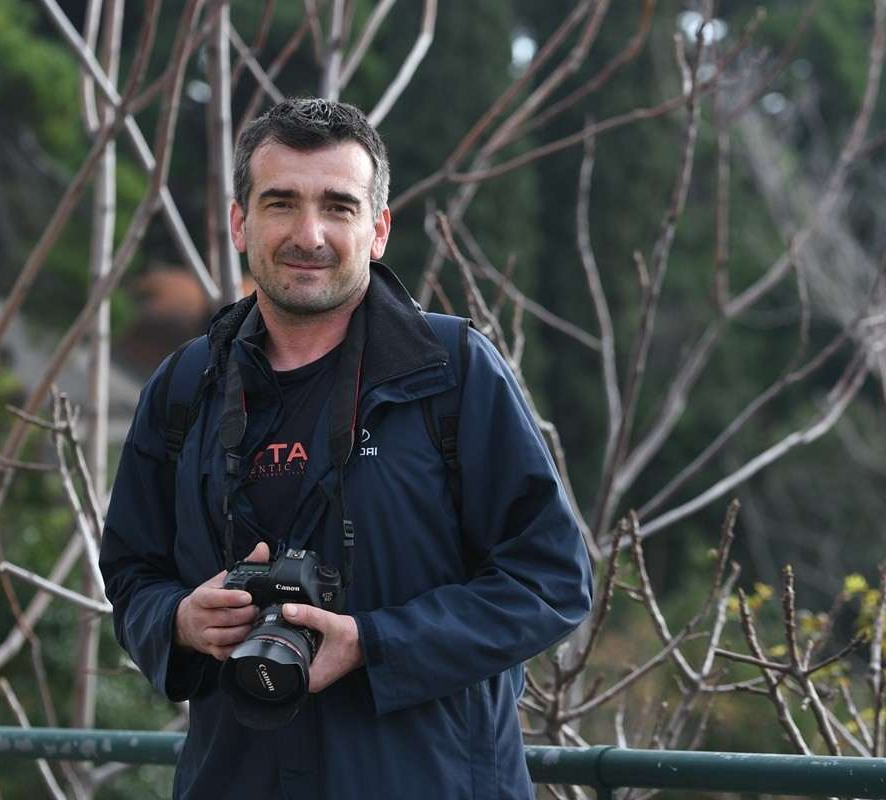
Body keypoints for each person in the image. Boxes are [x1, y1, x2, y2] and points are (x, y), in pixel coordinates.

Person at [100, 98, 593, 800]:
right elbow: (131, 573)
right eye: (281, 203)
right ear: (240, 223)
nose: (309, 234)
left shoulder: (453, 375)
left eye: (338, 206)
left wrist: (374, 642)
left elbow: (551, 579)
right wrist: (178, 620)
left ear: (378, 229)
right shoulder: (186, 387)